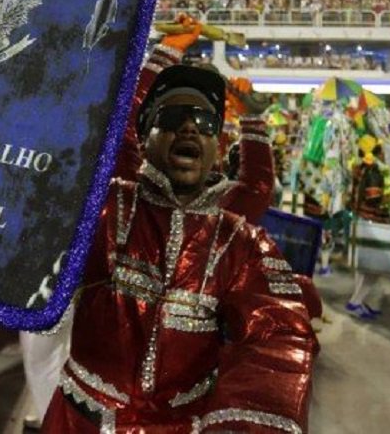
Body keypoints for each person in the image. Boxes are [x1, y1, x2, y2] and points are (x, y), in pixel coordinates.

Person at [40, 58, 317, 432]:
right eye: (172, 117)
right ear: (145, 136)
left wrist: (240, 423)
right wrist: (157, 60)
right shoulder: (105, 208)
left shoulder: (242, 242)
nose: (189, 127)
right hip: (78, 422)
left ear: (216, 146)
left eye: (205, 124)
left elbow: (279, 335)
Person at [345, 135, 390, 320]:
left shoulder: (360, 167)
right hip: (371, 223)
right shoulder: (373, 171)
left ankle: (359, 302)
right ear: (377, 152)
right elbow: (373, 198)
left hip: (360, 220)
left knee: (363, 268)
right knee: (375, 269)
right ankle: (354, 303)